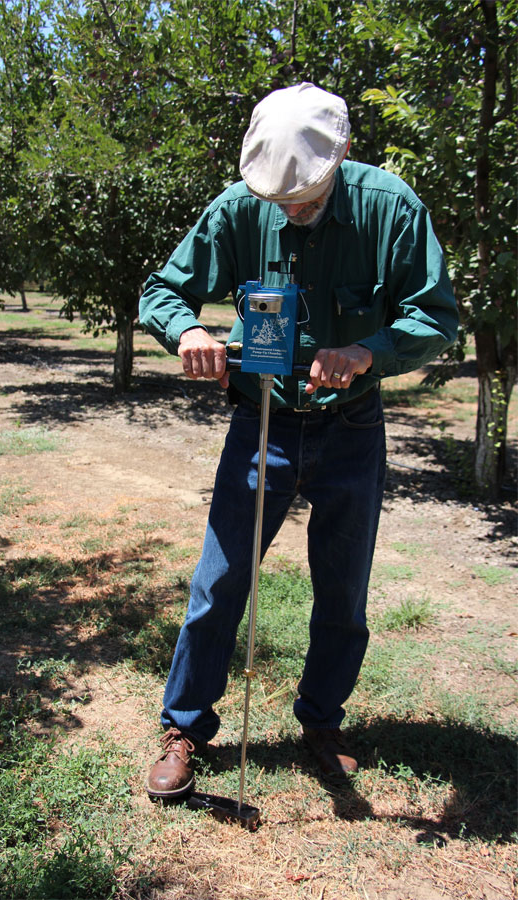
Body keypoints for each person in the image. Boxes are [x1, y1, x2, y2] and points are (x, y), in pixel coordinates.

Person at [138, 83, 458, 797]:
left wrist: (369, 351)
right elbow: (162, 289)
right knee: (219, 582)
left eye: (304, 197)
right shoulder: (237, 206)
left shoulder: (392, 209)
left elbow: (437, 318)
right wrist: (187, 329)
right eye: (276, 198)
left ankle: (322, 720)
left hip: (352, 430)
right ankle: (184, 726)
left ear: (343, 154)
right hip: (262, 426)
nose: (288, 209)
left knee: (343, 590)